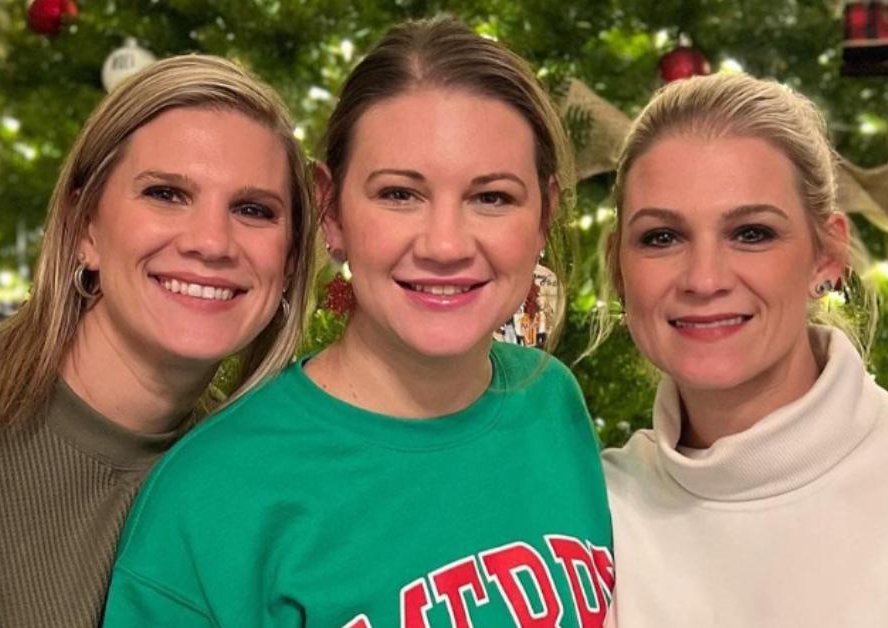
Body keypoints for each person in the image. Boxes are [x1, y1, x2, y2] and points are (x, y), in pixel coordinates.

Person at [103, 17, 614, 627]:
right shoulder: (213, 498)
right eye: (400, 194)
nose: (445, 245)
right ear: (332, 212)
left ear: (543, 216)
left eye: (492, 197)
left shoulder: (552, 400)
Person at [0, 55, 315, 627]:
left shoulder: (242, 477)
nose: (211, 242)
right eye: (166, 193)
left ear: (291, 257)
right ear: (84, 228)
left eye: (253, 209)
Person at [601, 72, 888, 627]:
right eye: (661, 237)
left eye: (751, 233)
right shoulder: (594, 508)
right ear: (620, 269)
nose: (704, 279)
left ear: (827, 256)